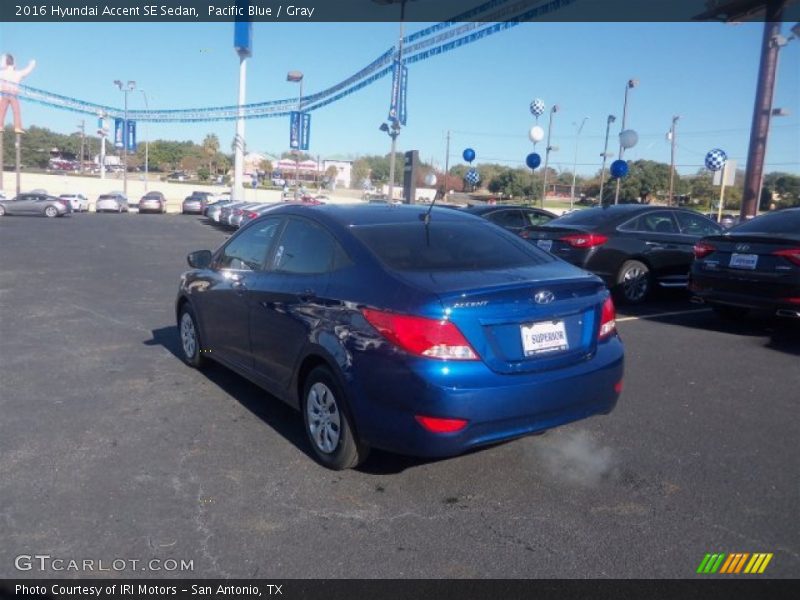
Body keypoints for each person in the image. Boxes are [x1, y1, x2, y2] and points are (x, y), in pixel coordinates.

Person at [0, 54, 36, 134]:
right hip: (13, 93)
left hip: (4, 93)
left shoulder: (2, 73)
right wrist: (32, 65)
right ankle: (17, 127)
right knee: (16, 111)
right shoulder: (17, 73)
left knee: (2, 111)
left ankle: (0, 125)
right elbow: (26, 72)